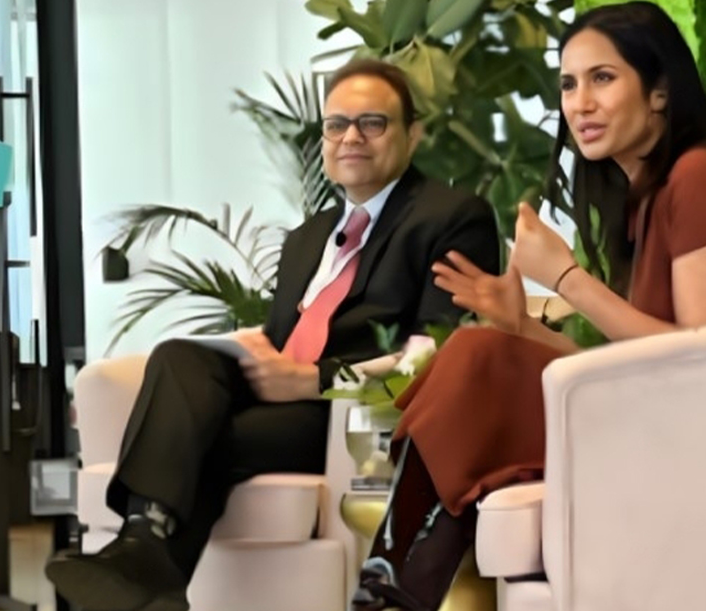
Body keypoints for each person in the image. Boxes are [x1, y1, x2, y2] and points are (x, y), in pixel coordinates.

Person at [349, 1, 706, 611]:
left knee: (479, 359)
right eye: (568, 84)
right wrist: (522, 324)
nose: (579, 104)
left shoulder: (705, 174)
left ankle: (383, 598)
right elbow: (643, 363)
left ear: (659, 91)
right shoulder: (650, 198)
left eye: (602, 79)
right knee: (487, 350)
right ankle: (386, 597)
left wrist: (568, 278)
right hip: (684, 416)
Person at [46, 58, 502, 611]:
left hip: (347, 414)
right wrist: (258, 352)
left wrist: (311, 380)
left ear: (413, 134)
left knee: (198, 443)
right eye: (336, 125)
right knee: (178, 356)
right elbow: (285, 336)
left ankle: (146, 560)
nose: (350, 137)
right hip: (281, 399)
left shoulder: (452, 216)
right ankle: (146, 551)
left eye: (372, 123)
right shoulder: (307, 239)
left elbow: (433, 358)